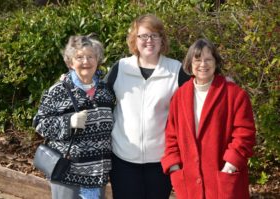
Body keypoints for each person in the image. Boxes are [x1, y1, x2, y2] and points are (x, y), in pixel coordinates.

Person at [105, 14, 190, 199]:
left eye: (154, 35)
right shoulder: (121, 68)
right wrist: (72, 83)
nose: (149, 40)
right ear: (135, 40)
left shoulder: (175, 70)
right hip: (123, 160)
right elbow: (97, 98)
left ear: (162, 39)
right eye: (143, 36)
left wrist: (223, 84)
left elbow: (198, 98)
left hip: (160, 161)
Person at [161, 38, 256, 199]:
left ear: (216, 62)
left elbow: (245, 134)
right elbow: (171, 137)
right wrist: (175, 169)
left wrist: (229, 167)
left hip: (224, 179)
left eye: (208, 59)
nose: (203, 64)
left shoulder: (235, 94)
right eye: (197, 60)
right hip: (189, 184)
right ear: (190, 64)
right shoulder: (179, 96)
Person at [33, 34, 116, 199]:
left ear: (97, 60)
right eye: (79, 57)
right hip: (68, 174)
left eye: (90, 56)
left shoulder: (106, 91)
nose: (86, 61)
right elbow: (39, 122)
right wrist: (68, 122)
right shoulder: (59, 90)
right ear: (70, 62)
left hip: (98, 175)